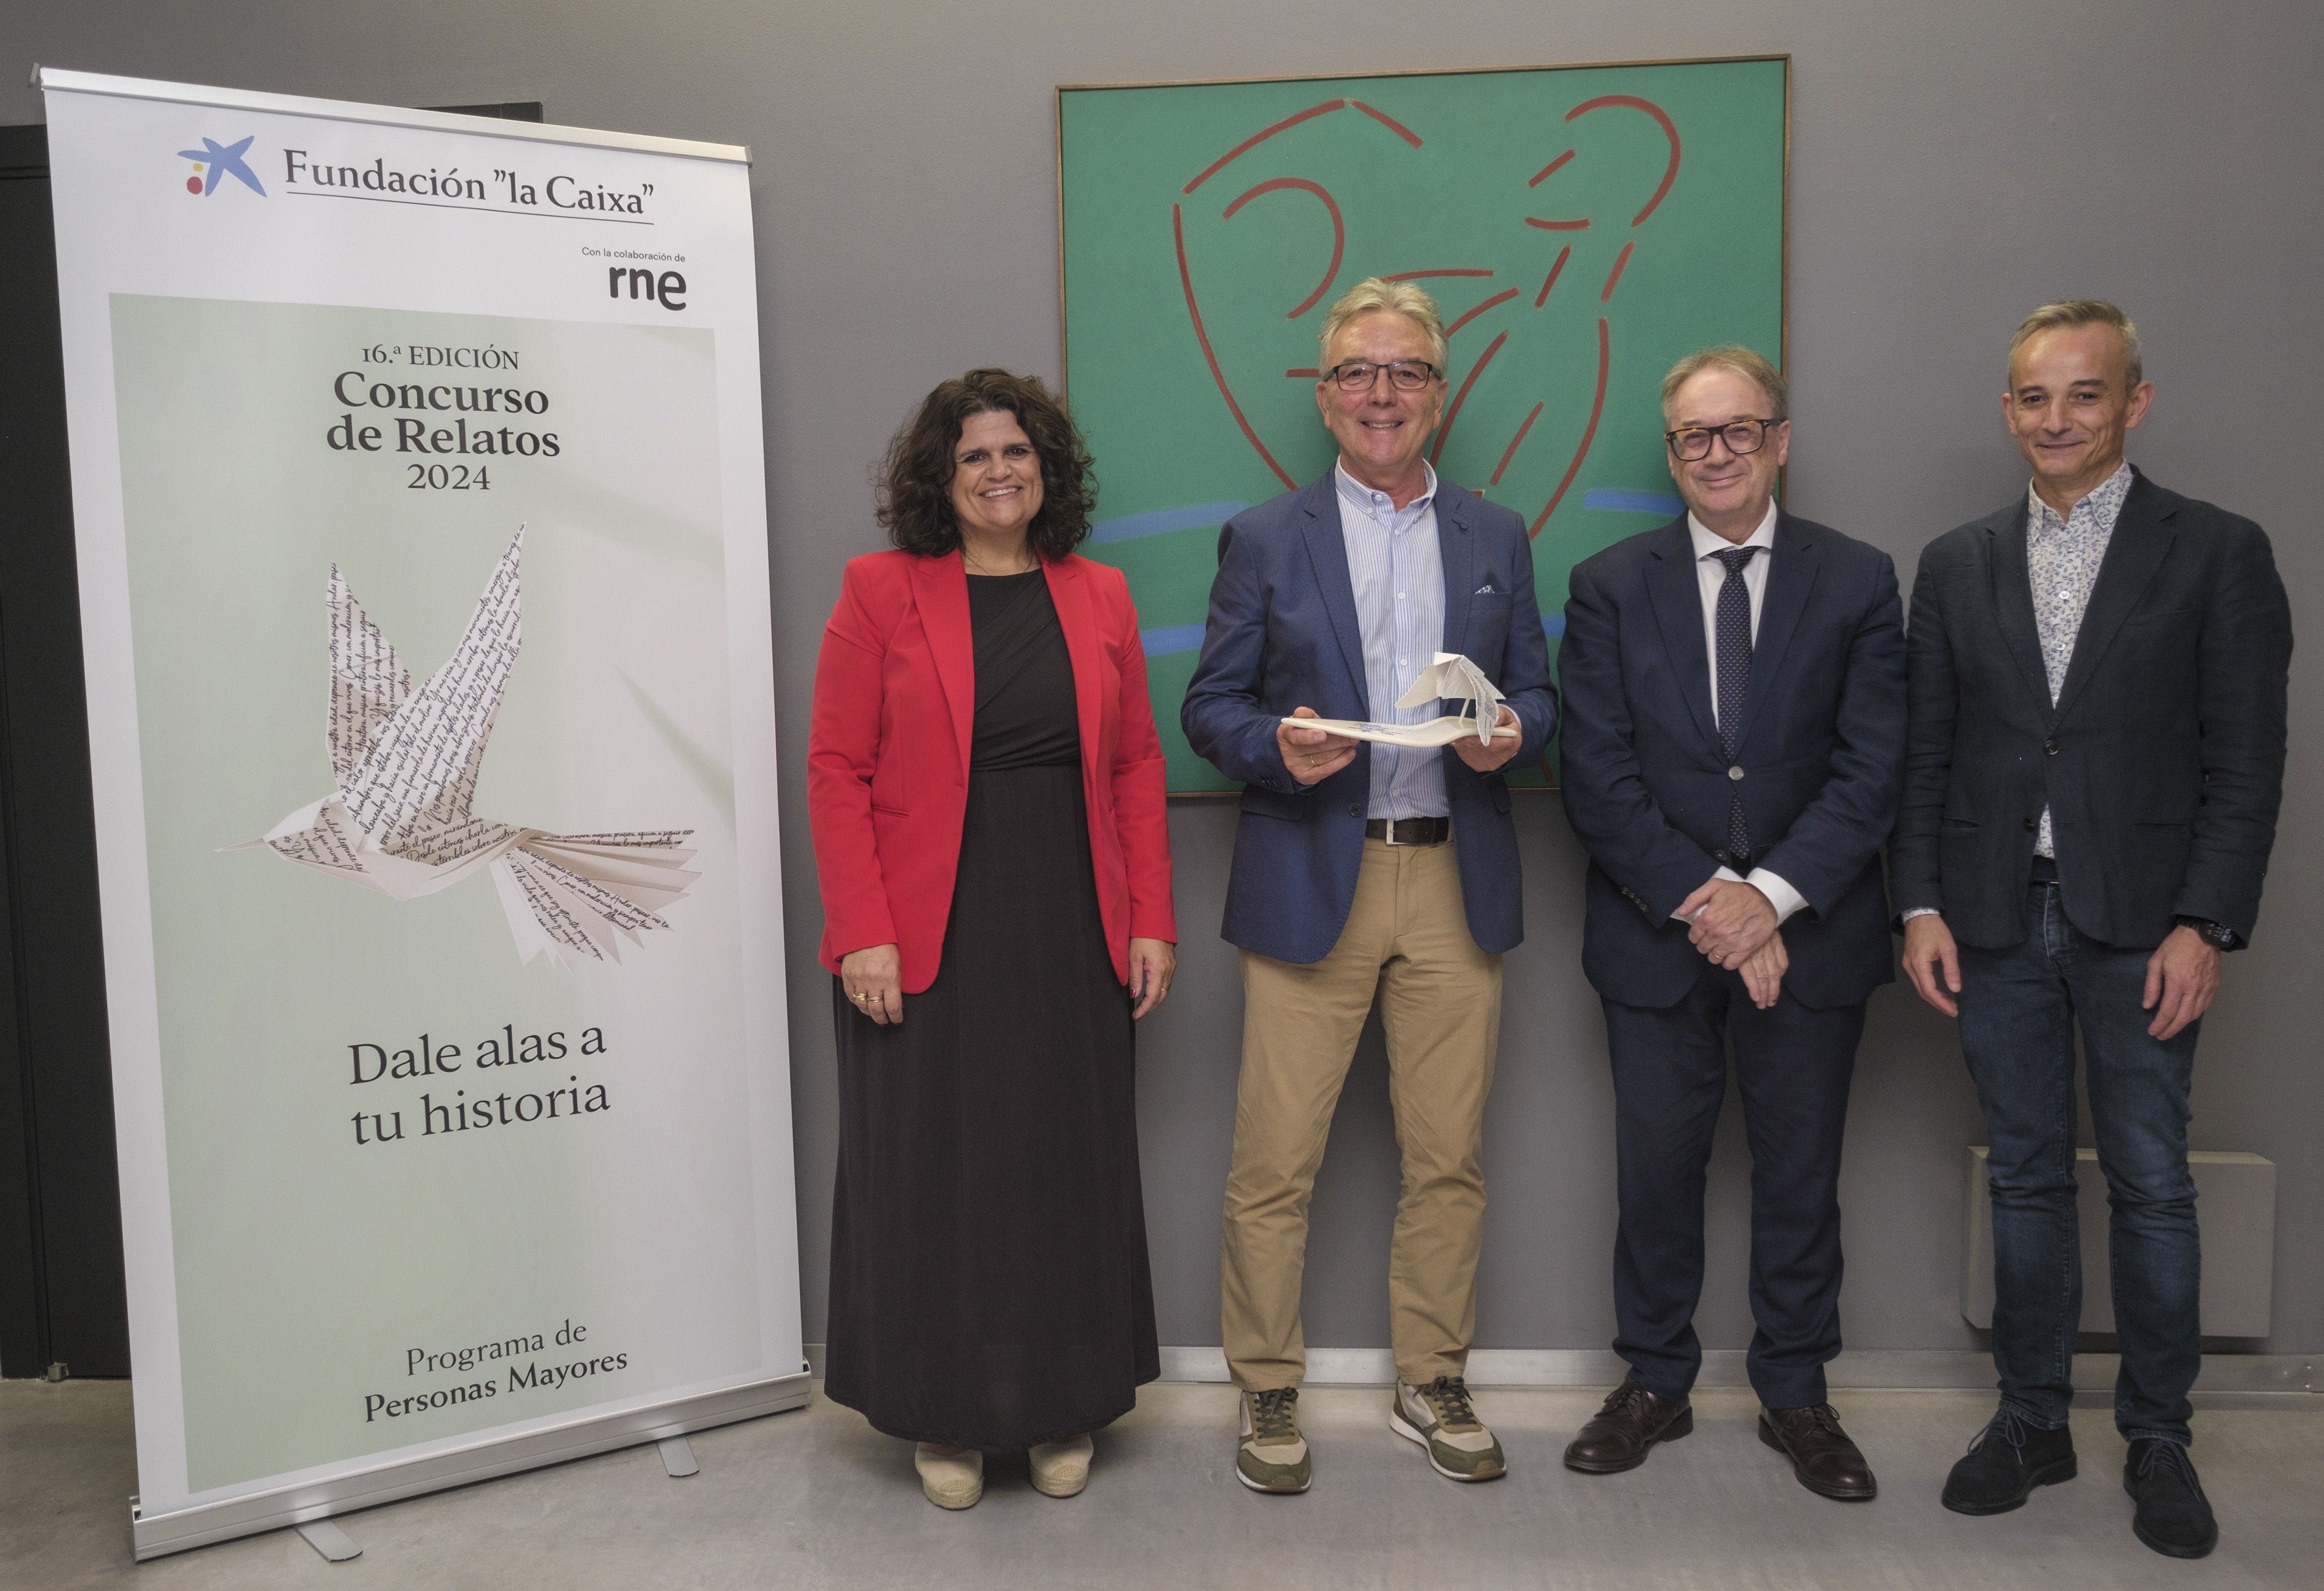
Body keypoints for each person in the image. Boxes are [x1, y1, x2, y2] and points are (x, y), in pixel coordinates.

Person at [1892, 301, 2291, 1560]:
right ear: (2006, 409)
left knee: (2151, 1182)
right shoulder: (1957, 562)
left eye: (2083, 394)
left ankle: (2159, 1435)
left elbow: (2248, 759)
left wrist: (2206, 924)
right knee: (2021, 1175)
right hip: (1997, 915)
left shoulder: (2218, 552)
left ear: (2135, 401)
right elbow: (1928, 755)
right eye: (2032, 397)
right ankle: (2031, 1419)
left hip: (2143, 925)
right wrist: (1920, 902)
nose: (2056, 418)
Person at [1181, 279, 1557, 1493]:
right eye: (1356, 372)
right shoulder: (1265, 535)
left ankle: (1429, 1377)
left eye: (1403, 373)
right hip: (1310, 873)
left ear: (1438, 394)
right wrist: (1269, 750)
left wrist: (1516, 732)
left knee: (1448, 1157)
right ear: (1325, 393)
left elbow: (1538, 692)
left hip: (1453, 879)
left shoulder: (1496, 535)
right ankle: (1266, 1385)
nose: (1380, 393)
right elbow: (1209, 707)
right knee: (1272, 1160)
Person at [806, 368, 1178, 1510]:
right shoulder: (880, 591)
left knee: (1061, 1163)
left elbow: (1133, 765)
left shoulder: (1100, 595)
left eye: (1017, 452)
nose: (999, 471)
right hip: (923, 932)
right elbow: (836, 768)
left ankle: (1061, 1407)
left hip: (1069, 918)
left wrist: (1150, 917)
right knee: (933, 1173)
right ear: (941, 476)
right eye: (975, 456)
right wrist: (862, 930)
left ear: (1046, 470)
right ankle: (947, 1421)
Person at [1555, 346, 1905, 1499]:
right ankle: (1654, 1376)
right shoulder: (1610, 584)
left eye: (1739, 431)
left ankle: (1796, 1391)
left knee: (1801, 1174)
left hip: (1815, 934)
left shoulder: (1857, 581)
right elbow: (1597, 774)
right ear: (1671, 452)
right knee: (1657, 1169)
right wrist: (1716, 904)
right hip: (1659, 937)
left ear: (1781, 440)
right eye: (1694, 437)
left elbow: (1872, 766)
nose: (1716, 454)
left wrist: (1774, 901)